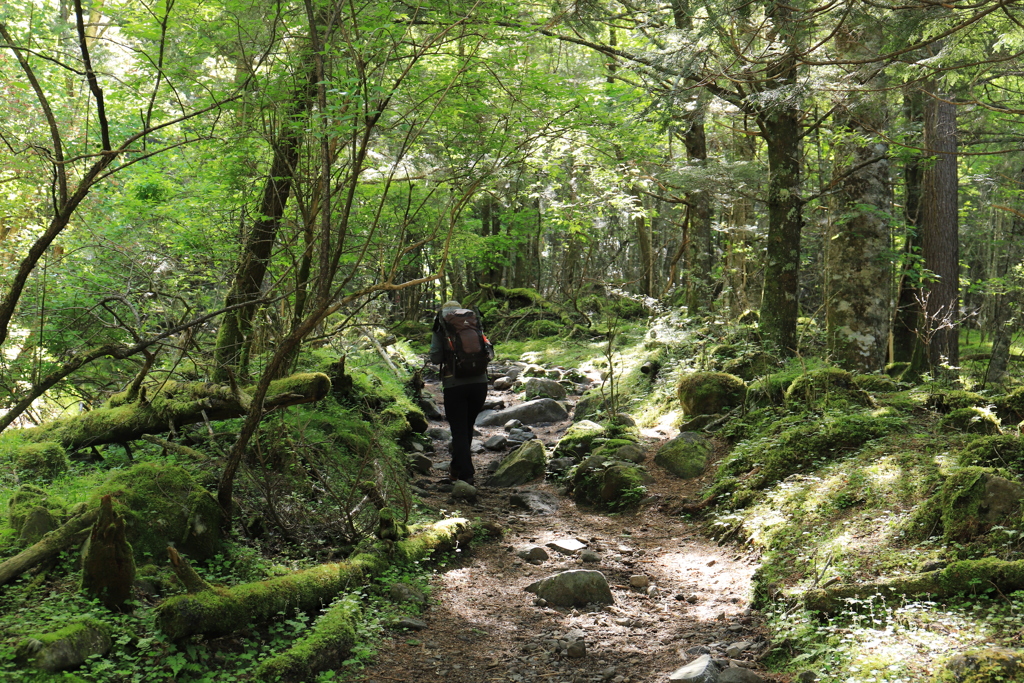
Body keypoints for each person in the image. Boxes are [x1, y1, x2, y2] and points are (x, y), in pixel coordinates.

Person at [430, 300, 489, 484]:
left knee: (459, 431)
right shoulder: (472, 321)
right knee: (466, 428)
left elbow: (435, 357)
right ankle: (456, 469)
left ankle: (467, 474)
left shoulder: (442, 325)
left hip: (455, 385)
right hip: (480, 383)